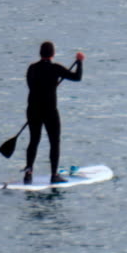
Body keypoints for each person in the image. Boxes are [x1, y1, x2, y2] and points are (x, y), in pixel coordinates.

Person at [24, 41, 84, 184]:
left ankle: (28, 173)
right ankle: (54, 175)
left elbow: (31, 86)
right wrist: (79, 62)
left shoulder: (32, 68)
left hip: (33, 110)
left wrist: (48, 85)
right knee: (54, 142)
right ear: (53, 54)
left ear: (40, 53)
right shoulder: (55, 68)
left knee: (34, 140)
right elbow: (77, 77)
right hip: (49, 110)